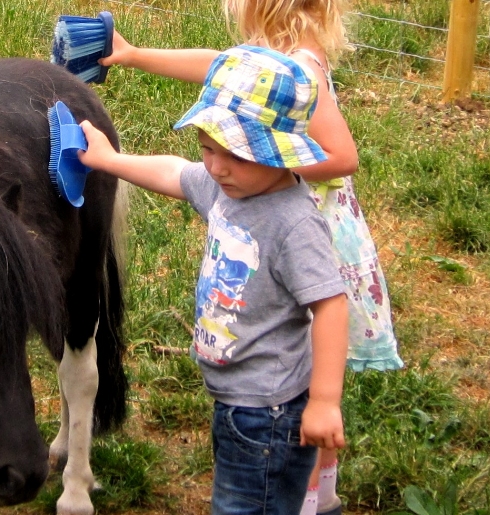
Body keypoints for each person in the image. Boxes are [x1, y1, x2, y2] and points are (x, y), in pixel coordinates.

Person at [98, 2, 404, 513]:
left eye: (235, 151)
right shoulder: (254, 91)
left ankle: (312, 491)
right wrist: (129, 70)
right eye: (207, 147)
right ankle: (309, 487)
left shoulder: (299, 81)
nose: (215, 167)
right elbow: (185, 149)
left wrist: (325, 401)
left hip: (272, 394)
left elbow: (331, 298)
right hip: (243, 397)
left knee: (294, 342)